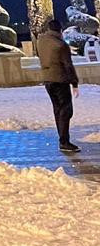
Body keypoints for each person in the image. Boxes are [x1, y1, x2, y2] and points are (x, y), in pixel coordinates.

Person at [37, 18, 80, 153]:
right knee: (66, 110)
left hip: (47, 80)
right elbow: (68, 65)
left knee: (57, 109)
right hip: (60, 80)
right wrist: (74, 83)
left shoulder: (41, 41)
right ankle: (64, 141)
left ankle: (62, 138)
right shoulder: (61, 45)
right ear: (60, 30)